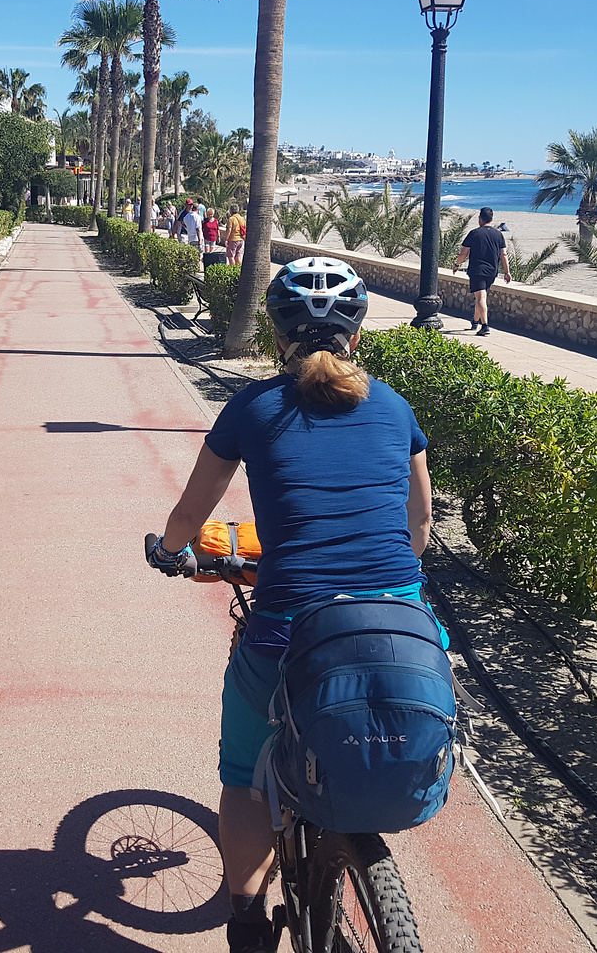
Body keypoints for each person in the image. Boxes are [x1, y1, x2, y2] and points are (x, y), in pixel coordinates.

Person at [146, 257, 432, 953]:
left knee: (244, 781)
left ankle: (246, 919)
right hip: (404, 626)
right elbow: (419, 525)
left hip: (288, 628)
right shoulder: (395, 407)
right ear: (357, 336)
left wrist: (171, 551)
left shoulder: (255, 408)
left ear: (279, 336)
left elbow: (190, 513)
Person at [454, 206, 511, 337]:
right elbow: (504, 255)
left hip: (477, 270)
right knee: (481, 296)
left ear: (480, 218)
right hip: (492, 271)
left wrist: (457, 264)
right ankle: (475, 321)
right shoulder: (498, 234)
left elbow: (464, 253)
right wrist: (507, 272)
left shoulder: (474, 233)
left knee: (481, 297)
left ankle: (485, 326)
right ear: (491, 219)